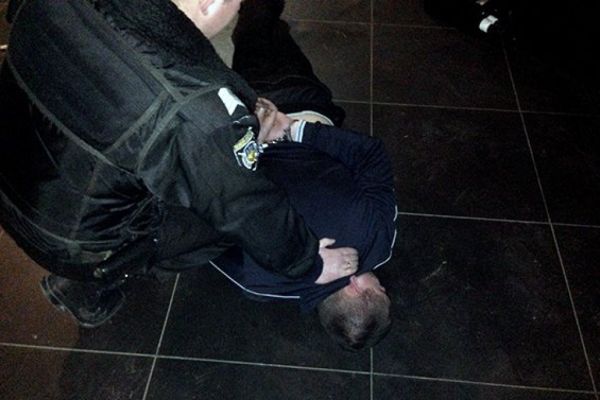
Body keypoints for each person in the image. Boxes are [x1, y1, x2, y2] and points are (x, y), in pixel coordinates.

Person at [0, 0, 358, 327]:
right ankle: (97, 277)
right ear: (211, 4)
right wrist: (309, 263)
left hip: (12, 182)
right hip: (67, 242)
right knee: (220, 219)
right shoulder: (194, 110)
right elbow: (247, 207)